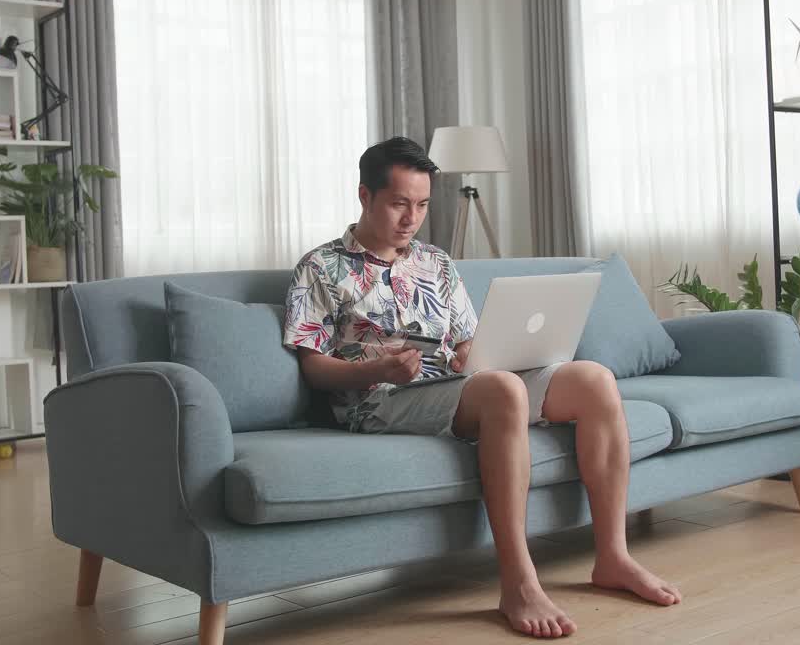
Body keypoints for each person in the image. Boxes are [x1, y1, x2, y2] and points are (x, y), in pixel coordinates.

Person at [282, 136, 681, 639]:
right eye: (399, 203)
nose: (412, 218)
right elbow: (313, 367)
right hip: (376, 401)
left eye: (423, 205)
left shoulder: (436, 263)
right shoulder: (321, 267)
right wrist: (377, 370)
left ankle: (613, 557)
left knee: (594, 380)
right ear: (364, 196)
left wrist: (483, 353)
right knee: (504, 392)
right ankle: (517, 580)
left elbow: (468, 342)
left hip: (459, 386)